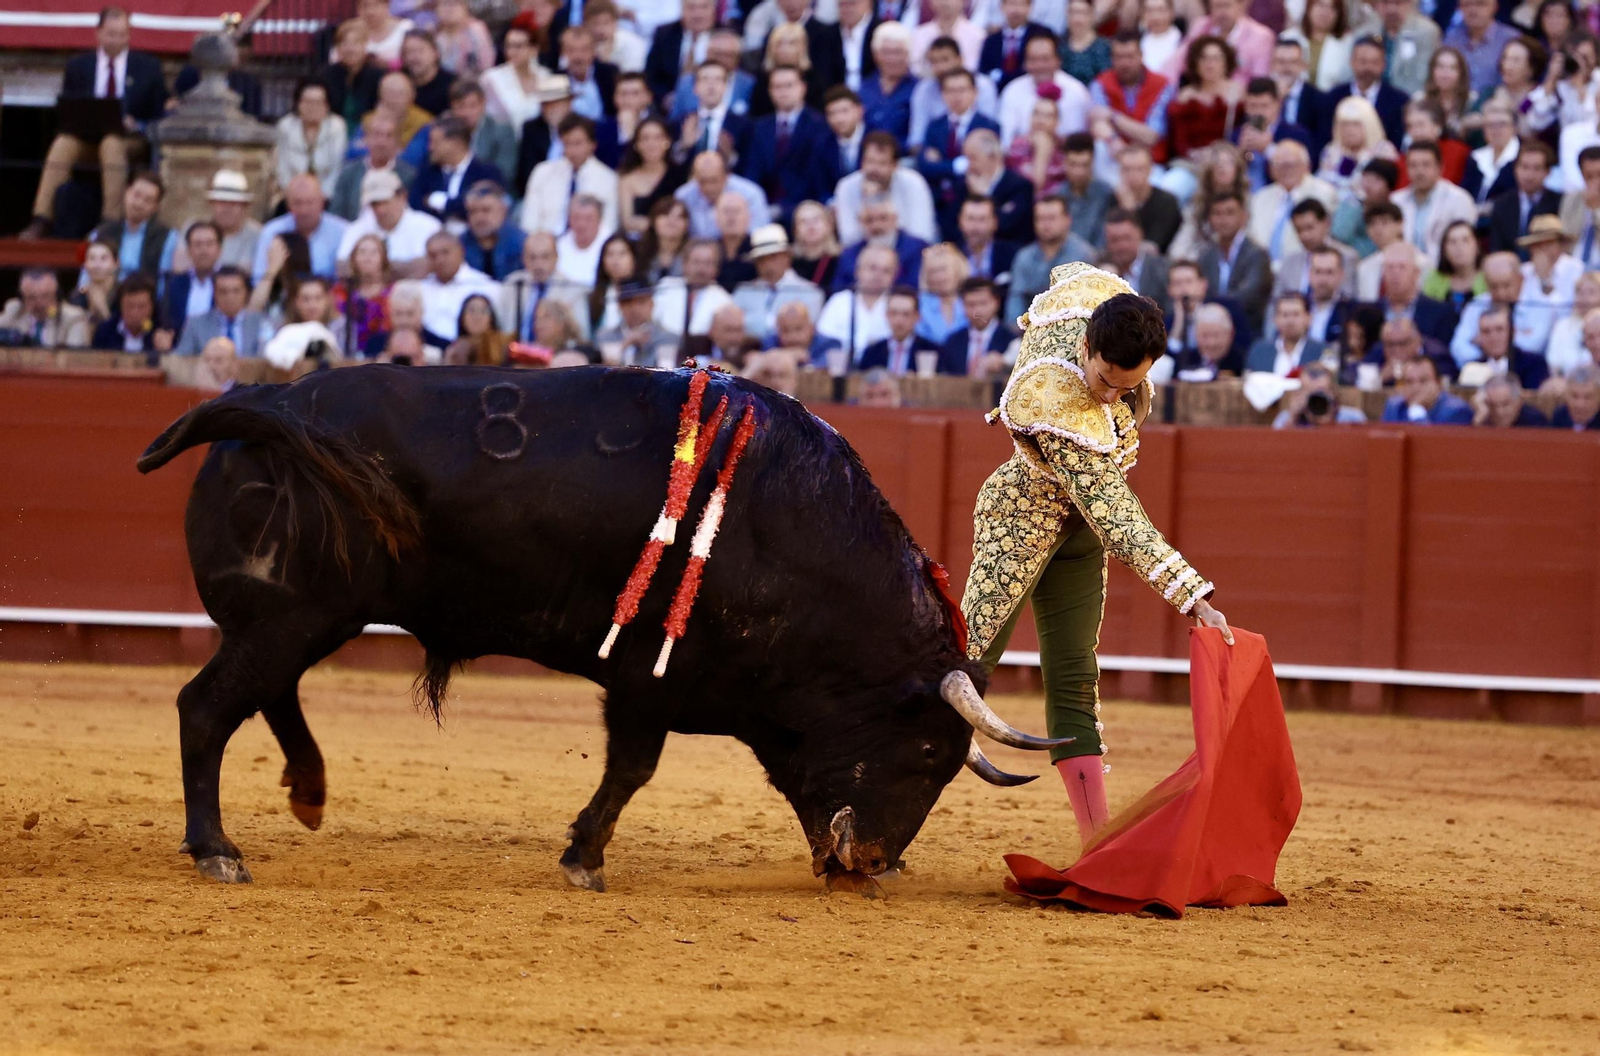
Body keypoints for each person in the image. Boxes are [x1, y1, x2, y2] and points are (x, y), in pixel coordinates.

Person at [959, 263, 1232, 849]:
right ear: (1086, 346)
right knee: (961, 671)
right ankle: (876, 828)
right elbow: (1118, 515)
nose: (1110, 394)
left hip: (1079, 538)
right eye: (1104, 378)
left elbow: (1076, 272)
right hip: (1020, 518)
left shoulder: (1115, 312)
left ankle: (1096, 846)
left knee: (1077, 679)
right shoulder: (1051, 398)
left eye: (1126, 386)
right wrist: (1193, 595)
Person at [23, 8, 167, 238]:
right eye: (111, 34)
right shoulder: (79, 65)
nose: (117, 40)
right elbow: (67, 108)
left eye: (122, 34)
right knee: (63, 143)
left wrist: (136, 124)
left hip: (129, 141)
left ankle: (111, 221)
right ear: (98, 33)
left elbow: (159, 116)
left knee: (111, 143)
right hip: (87, 139)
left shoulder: (148, 67)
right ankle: (42, 218)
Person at [741, 65, 835, 221]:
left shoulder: (819, 126)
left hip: (806, 208)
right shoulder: (760, 127)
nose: (783, 92)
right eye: (777, 87)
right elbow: (752, 171)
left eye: (789, 85)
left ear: (803, 88)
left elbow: (818, 177)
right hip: (763, 209)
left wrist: (786, 209)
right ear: (770, 91)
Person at [1088, 30, 1176, 166]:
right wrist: (1114, 141)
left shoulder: (1162, 85)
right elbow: (1098, 123)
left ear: (1141, 56)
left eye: (1130, 57)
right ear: (1112, 58)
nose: (1124, 63)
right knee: (1100, 148)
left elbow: (1152, 136)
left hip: (1152, 162)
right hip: (1115, 158)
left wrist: (1113, 116)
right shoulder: (1100, 84)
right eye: (1119, 57)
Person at [522, 114, 619, 236]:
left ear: (592, 145)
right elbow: (529, 222)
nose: (572, 150)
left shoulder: (608, 179)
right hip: (546, 246)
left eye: (578, 143)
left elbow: (609, 227)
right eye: (567, 143)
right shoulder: (543, 173)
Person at [833, 131, 937, 245]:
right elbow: (849, 239)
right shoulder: (846, 187)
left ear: (895, 165)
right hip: (864, 257)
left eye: (882, 163)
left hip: (908, 255)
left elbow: (922, 235)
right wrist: (867, 202)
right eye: (870, 161)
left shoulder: (914, 183)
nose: (874, 169)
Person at [1005, 194, 1095, 323]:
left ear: (1068, 220)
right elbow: (1016, 297)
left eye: (1051, 218)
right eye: (1040, 219)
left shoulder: (1084, 255)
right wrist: (1016, 326)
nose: (1045, 224)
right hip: (1031, 327)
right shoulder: (1024, 256)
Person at [337, 169, 441, 279]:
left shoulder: (428, 226)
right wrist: (403, 268)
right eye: (374, 204)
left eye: (385, 202)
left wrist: (372, 268)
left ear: (402, 197)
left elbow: (426, 267)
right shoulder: (357, 228)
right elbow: (342, 269)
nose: (380, 210)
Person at [1167, 36, 1245, 178]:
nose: (1210, 64)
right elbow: (1179, 139)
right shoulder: (1186, 96)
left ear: (1226, 63)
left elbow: (1240, 135)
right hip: (1190, 164)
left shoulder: (1238, 94)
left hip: (1226, 164)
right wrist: (1193, 154)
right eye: (1204, 59)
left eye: (1216, 59)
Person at [731, 223, 825, 341]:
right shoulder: (743, 292)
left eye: (773, 256)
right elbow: (732, 329)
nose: (767, 263)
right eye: (761, 258)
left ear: (787, 256)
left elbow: (807, 333)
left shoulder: (810, 292)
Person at [498, 231, 594, 342]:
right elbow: (501, 328)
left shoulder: (572, 290)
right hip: (515, 354)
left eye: (545, 257)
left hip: (557, 354)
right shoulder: (512, 285)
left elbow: (581, 336)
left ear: (556, 257)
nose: (538, 264)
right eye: (532, 258)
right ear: (523, 259)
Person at [998, 32, 1091, 145]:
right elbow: (1005, 140)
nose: (1039, 66)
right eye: (1033, 60)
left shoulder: (1076, 92)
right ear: (1025, 63)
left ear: (1058, 60)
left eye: (1045, 59)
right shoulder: (1012, 91)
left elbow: (1077, 140)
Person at [1198, 192, 1272, 335]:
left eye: (1230, 213)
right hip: (1210, 329)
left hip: (1245, 330)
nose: (1223, 219)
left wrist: (1214, 305)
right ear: (1210, 219)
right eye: (1217, 214)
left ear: (1244, 216)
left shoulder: (1257, 254)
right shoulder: (1206, 255)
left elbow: (1249, 297)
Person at [253, 175, 349, 283]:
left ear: (322, 202)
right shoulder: (271, 232)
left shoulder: (343, 231)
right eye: (297, 203)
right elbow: (258, 280)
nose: (304, 210)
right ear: (288, 204)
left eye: (310, 202)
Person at [89, 172, 177, 282]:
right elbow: (86, 275)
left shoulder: (167, 237)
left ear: (156, 207)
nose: (139, 204)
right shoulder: (101, 233)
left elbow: (163, 280)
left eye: (147, 200)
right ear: (126, 192)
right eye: (136, 195)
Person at [815, 242, 897, 360]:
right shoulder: (839, 302)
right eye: (872, 268)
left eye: (886, 271)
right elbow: (823, 342)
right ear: (858, 270)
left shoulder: (897, 306)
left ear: (894, 276)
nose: (878, 275)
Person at [418, 231, 501, 340]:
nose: (439, 260)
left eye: (445, 252)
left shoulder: (486, 287)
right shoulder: (419, 289)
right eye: (433, 255)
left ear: (461, 252)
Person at [174, 266, 272, 357]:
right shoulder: (196, 324)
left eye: (236, 291)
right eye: (223, 291)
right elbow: (180, 360)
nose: (230, 297)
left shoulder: (262, 323)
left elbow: (267, 360)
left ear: (246, 293)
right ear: (215, 294)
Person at [1489, 139, 1563, 257]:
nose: (1529, 175)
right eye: (1524, 167)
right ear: (1515, 169)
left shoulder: (1559, 203)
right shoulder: (1502, 204)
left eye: (1537, 168)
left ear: (1548, 172)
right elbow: (1497, 248)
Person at [275, 80, 348, 197]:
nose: (312, 107)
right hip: (293, 194)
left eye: (318, 102)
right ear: (298, 104)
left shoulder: (336, 126)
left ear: (327, 106)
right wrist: (292, 193)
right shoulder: (286, 126)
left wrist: (321, 196)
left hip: (327, 195)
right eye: (307, 102)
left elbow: (337, 168)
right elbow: (282, 167)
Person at [618, 117, 689, 236]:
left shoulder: (681, 175)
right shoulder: (627, 180)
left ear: (667, 142)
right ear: (637, 145)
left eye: (658, 137)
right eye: (645, 138)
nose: (651, 144)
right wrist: (659, 225)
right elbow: (628, 222)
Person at [652, 238, 735, 335]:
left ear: (717, 268)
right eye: (696, 262)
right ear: (685, 264)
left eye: (708, 263)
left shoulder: (725, 300)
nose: (701, 269)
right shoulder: (665, 288)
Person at [1442, 0, 1524, 95]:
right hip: (1457, 104)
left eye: (1481, 4)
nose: (1473, 10)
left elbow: (1526, 86)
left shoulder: (1511, 39)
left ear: (1494, 7)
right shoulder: (1451, 39)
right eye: (1466, 5)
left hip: (1500, 104)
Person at [481, 24, 551, 132]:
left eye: (518, 46)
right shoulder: (490, 79)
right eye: (508, 46)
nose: (511, 52)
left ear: (534, 49)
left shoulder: (548, 77)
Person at [331, 234, 393, 354]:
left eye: (374, 252)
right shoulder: (340, 292)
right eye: (362, 252)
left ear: (383, 259)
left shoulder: (393, 293)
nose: (367, 257)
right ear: (353, 259)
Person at [321, 19, 385, 136]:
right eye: (344, 44)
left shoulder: (378, 76)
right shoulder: (326, 75)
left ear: (365, 46)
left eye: (355, 43)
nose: (350, 49)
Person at [939, 277, 1013, 376]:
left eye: (983, 303)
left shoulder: (1011, 340)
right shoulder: (953, 342)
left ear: (997, 303)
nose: (977, 311)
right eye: (971, 304)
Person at [859, 285, 943, 373]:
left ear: (917, 317)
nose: (899, 320)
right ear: (886, 315)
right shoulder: (872, 352)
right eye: (894, 313)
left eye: (906, 314)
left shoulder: (932, 352)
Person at [595, 279, 680, 366]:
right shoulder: (606, 336)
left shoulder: (667, 337)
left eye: (641, 302)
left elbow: (667, 370)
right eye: (627, 302)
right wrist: (625, 343)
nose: (634, 308)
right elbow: (607, 368)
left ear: (651, 304)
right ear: (619, 306)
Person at [859, 21, 918, 145]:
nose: (892, 58)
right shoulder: (864, 88)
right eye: (886, 52)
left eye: (898, 52)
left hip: (904, 158)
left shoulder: (918, 89)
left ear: (907, 54)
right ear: (875, 55)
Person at [163, 222, 223, 341]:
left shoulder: (230, 282)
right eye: (198, 244)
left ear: (219, 249)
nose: (204, 250)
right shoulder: (175, 283)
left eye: (209, 244)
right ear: (188, 250)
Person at [0, 268, 90, 349]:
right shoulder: (14, 310)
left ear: (56, 295)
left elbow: (74, 359)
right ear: (22, 297)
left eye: (45, 296)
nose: (39, 303)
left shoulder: (74, 318)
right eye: (31, 297)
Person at [92, 274, 171, 360]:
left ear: (152, 307)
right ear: (120, 305)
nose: (135, 312)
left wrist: (165, 351)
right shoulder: (105, 331)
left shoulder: (160, 332)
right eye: (129, 306)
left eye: (141, 306)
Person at [1381, 351, 1472, 423]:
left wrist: (1416, 409)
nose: (1416, 387)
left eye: (1423, 381)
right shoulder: (1394, 407)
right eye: (1409, 382)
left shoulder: (1457, 411)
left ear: (1439, 384)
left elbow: (1430, 445)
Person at [461, 182, 525, 281]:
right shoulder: (459, 245)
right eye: (473, 211)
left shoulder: (523, 244)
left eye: (486, 210)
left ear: (503, 210)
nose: (479, 217)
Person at [1247, 291, 1324, 374]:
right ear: (1275, 319)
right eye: (1285, 315)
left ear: (1308, 318)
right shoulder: (1259, 351)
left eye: (1296, 314)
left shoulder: (1321, 352)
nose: (1290, 321)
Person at [1271, 361, 1368, 426]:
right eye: (1311, 394)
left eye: (1321, 394)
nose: (1317, 401)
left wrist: (1330, 421)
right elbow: (1274, 450)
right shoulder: (1287, 418)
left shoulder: (1353, 419)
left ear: (1334, 393)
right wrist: (1292, 420)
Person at [1423, 219, 1488, 314]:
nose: (1459, 247)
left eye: (1465, 240)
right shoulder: (1434, 279)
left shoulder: (1488, 277)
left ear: (1477, 246)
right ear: (1444, 250)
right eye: (1452, 242)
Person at [1545, 271, 1600, 375]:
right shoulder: (1562, 326)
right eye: (1579, 292)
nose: (1584, 298)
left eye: (1591, 292)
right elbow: (1553, 365)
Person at [916, 243, 970, 345]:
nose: (939, 277)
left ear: (957, 271)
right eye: (933, 272)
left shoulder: (969, 301)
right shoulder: (919, 304)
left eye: (943, 270)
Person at [1293, 0, 1353, 91]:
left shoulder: (1348, 43)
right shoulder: (1290, 37)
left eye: (1332, 8)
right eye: (1320, 5)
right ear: (1309, 8)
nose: (1325, 12)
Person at [433, 0, 495, 77]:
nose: (449, 9)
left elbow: (486, 65)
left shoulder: (476, 30)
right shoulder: (434, 35)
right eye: (444, 4)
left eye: (454, 4)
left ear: (465, 8)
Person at [402, 30, 457, 115]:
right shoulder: (400, 81)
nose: (414, 57)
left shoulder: (452, 84)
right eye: (409, 52)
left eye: (420, 51)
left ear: (435, 53)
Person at [71, 242, 120, 328]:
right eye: (92, 258)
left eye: (103, 259)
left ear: (116, 263)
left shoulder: (122, 294)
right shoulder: (78, 295)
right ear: (85, 264)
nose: (97, 265)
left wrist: (102, 307)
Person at [1473, 374, 1550, 427]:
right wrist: (1479, 419)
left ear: (1519, 401)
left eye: (1505, 404)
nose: (1499, 412)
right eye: (1492, 405)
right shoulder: (1484, 417)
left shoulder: (1535, 421)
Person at [356, 0, 413, 68]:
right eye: (365, 6)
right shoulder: (351, 30)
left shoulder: (405, 28)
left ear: (387, 6)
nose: (370, 11)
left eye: (376, 5)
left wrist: (390, 64)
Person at [1551, 362, 1600, 428]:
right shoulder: (1559, 417)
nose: (1580, 404)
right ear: (1566, 395)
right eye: (1574, 396)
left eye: (1588, 397)